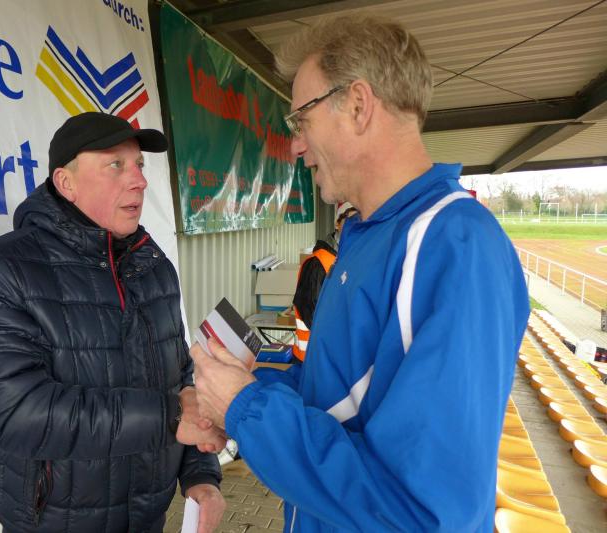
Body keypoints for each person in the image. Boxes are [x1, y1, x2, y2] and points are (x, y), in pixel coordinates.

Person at [190, 14, 529, 532]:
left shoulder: (455, 247)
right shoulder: (368, 236)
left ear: (357, 105)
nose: (295, 145)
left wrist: (245, 407)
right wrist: (241, 387)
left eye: (300, 120)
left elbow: (421, 514)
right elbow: (334, 396)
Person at [0, 112, 226, 533]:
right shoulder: (1, 268)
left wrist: (200, 474)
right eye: (115, 165)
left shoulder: (153, 265)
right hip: (54, 523)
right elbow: (15, 412)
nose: (139, 180)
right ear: (66, 183)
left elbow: (182, 378)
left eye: (139, 164)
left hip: (147, 516)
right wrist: (171, 417)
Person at [291, 202, 356, 361]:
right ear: (337, 223)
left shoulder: (350, 259)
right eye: (350, 220)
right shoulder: (318, 263)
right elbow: (314, 317)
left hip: (333, 358)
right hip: (313, 359)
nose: (355, 226)